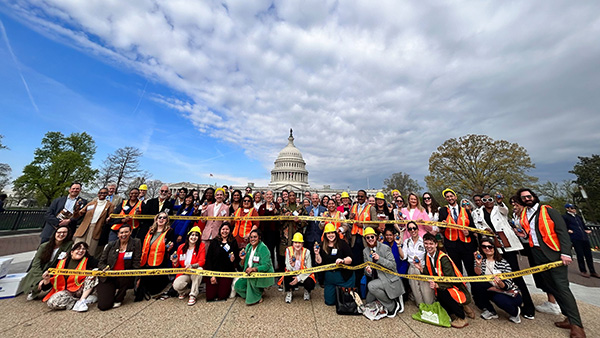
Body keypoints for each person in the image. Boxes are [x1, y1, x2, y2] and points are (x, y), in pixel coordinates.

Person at [516, 188, 586, 337]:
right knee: (552, 286)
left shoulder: (548, 211)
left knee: (562, 288)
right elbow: (533, 233)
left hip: (553, 252)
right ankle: (568, 316)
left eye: (529, 196)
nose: (527, 199)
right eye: (523, 197)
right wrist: (523, 234)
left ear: (534, 197)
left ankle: (577, 326)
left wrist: (566, 253)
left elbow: (562, 232)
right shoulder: (524, 214)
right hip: (537, 254)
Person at [472, 193, 535, 319]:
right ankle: (504, 301)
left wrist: (500, 202)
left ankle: (528, 307)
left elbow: (505, 211)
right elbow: (478, 226)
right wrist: (485, 230)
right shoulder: (478, 212)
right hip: (493, 247)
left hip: (508, 246)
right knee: (495, 276)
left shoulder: (499, 209)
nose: (488, 201)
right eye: (484, 200)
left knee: (516, 275)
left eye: (490, 199)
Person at [511, 195, 560, 316]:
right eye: (512, 203)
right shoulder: (515, 215)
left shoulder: (528, 214)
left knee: (544, 273)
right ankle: (551, 300)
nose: (514, 205)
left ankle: (553, 302)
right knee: (538, 274)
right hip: (525, 246)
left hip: (535, 245)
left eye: (516, 202)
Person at [415, 233, 474, 329]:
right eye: (426, 243)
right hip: (441, 285)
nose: (428, 246)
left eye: (431, 243)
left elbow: (450, 278)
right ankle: (462, 307)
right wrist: (421, 269)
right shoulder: (427, 255)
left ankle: (462, 317)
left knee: (443, 294)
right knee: (443, 306)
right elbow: (431, 272)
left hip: (453, 286)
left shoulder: (443, 258)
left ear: (436, 244)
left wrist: (438, 285)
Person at [472, 237, 523, 323]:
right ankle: (490, 310)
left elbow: (508, 284)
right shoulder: (482, 260)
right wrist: (478, 263)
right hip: (491, 288)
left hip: (507, 292)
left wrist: (500, 283)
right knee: (476, 285)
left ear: (494, 248)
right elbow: (478, 274)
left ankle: (515, 312)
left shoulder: (503, 263)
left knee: (498, 299)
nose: (487, 249)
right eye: (484, 247)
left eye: (490, 247)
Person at [19, 225, 73, 300]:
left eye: (64, 232)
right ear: (55, 233)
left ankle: (48, 287)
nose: (61, 234)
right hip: (43, 268)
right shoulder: (44, 246)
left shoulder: (69, 245)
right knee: (34, 274)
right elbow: (36, 263)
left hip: (55, 269)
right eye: (59, 232)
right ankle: (34, 290)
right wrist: (41, 278)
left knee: (49, 280)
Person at [41, 242, 98, 312]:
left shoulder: (89, 260)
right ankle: (77, 302)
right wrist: (46, 280)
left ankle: (81, 301)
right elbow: (46, 287)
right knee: (52, 303)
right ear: (71, 252)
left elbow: (100, 265)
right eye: (78, 249)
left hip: (82, 289)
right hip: (66, 291)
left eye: (84, 249)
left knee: (94, 272)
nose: (81, 251)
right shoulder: (61, 261)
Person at [97, 224, 142, 310]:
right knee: (103, 306)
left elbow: (136, 262)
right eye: (121, 233)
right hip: (109, 276)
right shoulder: (111, 245)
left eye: (126, 232)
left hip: (125, 276)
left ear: (130, 232)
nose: (123, 234)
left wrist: (137, 277)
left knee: (126, 277)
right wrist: (105, 268)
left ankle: (119, 298)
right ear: (118, 234)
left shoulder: (136, 243)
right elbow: (101, 262)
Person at [362, 227, 405, 317]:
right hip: (377, 279)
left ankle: (392, 305)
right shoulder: (365, 251)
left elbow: (393, 266)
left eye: (372, 237)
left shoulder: (385, 248)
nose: (370, 239)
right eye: (368, 237)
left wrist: (379, 259)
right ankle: (388, 298)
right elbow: (367, 271)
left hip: (389, 278)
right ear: (365, 239)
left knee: (371, 286)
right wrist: (368, 271)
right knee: (369, 302)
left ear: (376, 237)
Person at [438, 188, 477, 277]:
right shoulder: (443, 210)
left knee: (471, 271)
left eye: (451, 196)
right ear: (445, 199)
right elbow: (440, 226)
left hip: (467, 245)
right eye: (447, 197)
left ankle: (475, 290)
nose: (450, 198)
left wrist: (469, 233)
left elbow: (473, 227)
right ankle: (461, 290)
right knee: (457, 272)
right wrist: (443, 225)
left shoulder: (465, 211)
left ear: (455, 197)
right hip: (452, 245)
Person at [315, 223, 354, 305]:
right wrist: (317, 254)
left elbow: (350, 259)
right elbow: (319, 262)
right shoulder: (322, 245)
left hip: (344, 276)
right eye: (328, 233)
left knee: (345, 301)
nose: (330, 235)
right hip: (330, 277)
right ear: (325, 235)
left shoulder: (342, 243)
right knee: (329, 302)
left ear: (335, 233)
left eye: (332, 233)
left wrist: (342, 260)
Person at [138, 212, 175, 297]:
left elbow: (169, 244)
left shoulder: (169, 231)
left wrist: (169, 247)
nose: (161, 219)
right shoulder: (150, 230)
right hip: (146, 260)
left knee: (154, 290)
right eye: (160, 217)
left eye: (164, 218)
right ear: (156, 219)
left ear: (167, 220)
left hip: (159, 261)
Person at [234, 229, 274, 305]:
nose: (252, 239)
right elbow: (241, 265)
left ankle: (255, 296)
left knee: (251, 282)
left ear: (259, 237)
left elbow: (266, 265)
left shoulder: (263, 248)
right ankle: (256, 295)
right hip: (249, 273)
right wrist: (243, 259)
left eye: (255, 237)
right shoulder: (248, 247)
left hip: (260, 274)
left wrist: (254, 269)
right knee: (238, 286)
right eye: (251, 237)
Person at [400, 222, 434, 306]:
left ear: (418, 229)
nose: (412, 230)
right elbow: (403, 257)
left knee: (428, 298)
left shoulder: (423, 241)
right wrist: (398, 245)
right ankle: (420, 306)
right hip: (412, 268)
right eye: (410, 229)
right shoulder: (407, 242)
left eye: (414, 228)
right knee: (417, 295)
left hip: (423, 268)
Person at [73, 187, 114, 257]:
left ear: (107, 194)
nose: (102, 194)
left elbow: (111, 216)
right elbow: (79, 214)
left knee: (90, 250)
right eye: (101, 193)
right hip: (84, 227)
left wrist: (109, 218)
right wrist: (77, 208)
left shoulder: (110, 205)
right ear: (98, 194)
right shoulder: (91, 203)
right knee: (77, 246)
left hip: (96, 229)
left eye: (104, 193)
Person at [349, 190, 377, 288]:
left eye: (362, 196)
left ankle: (369, 286)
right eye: (358, 196)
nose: (360, 198)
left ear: (365, 197)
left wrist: (364, 225)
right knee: (356, 264)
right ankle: (357, 287)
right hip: (354, 238)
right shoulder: (353, 207)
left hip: (366, 239)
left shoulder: (371, 208)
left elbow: (376, 223)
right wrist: (350, 217)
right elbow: (350, 222)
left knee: (367, 263)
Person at [205, 222, 240, 301]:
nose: (225, 231)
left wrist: (233, 260)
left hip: (227, 272)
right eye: (223, 229)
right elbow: (209, 259)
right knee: (210, 296)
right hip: (214, 271)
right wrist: (211, 275)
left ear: (230, 231)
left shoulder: (233, 242)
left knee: (222, 295)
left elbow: (237, 259)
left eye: (227, 229)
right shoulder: (214, 242)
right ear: (220, 230)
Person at [172, 226, 205, 306]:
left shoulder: (201, 246)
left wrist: (192, 265)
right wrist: (175, 262)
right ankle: (184, 292)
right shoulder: (181, 247)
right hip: (184, 272)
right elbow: (176, 266)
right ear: (188, 236)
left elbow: (202, 261)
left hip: (194, 271)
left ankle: (193, 295)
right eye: (192, 235)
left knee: (199, 269)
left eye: (196, 235)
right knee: (176, 285)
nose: (194, 237)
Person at [563, 203, 598, 278]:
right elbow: (563, 226)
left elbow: (583, 225)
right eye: (572, 208)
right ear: (567, 209)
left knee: (588, 255)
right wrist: (568, 230)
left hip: (584, 237)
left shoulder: (578, 217)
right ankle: (583, 271)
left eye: (574, 208)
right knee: (580, 254)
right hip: (575, 238)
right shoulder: (565, 217)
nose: (574, 209)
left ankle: (593, 271)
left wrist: (587, 230)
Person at [281, 233, 316, 303]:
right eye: (295, 242)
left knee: (310, 281)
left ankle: (307, 291)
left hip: (303, 275)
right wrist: (293, 266)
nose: (297, 245)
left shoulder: (307, 252)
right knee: (286, 276)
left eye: (299, 242)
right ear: (293, 243)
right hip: (292, 272)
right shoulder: (288, 250)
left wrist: (299, 278)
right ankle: (289, 292)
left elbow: (309, 269)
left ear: (302, 244)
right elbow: (287, 266)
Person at [279, 191, 308, 272]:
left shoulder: (301, 207)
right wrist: (284, 217)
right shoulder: (283, 207)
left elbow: (306, 221)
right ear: (287, 197)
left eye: (293, 195)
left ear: (296, 197)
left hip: (297, 235)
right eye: (290, 195)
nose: (291, 197)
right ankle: (283, 277)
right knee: (283, 256)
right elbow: (277, 220)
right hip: (285, 236)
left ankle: (297, 276)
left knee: (298, 256)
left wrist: (299, 221)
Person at [258, 190, 280, 266]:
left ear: (273, 196)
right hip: (263, 232)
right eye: (267, 194)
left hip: (273, 232)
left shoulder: (277, 205)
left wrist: (275, 210)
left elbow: (279, 218)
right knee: (263, 250)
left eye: (270, 194)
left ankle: (271, 268)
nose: (269, 196)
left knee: (271, 251)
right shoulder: (262, 207)